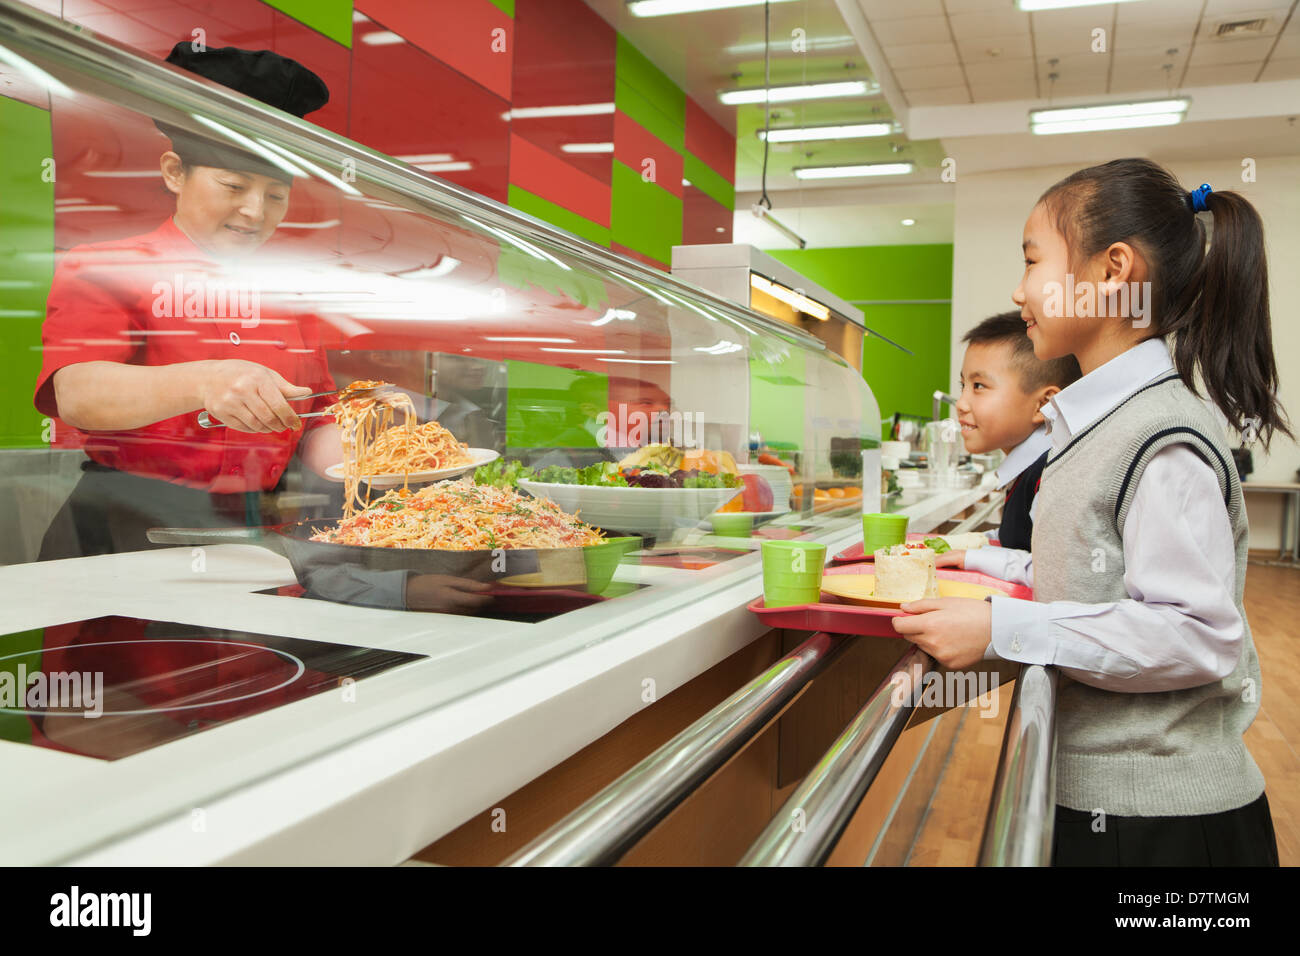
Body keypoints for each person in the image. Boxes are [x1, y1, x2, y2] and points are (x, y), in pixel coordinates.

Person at [893, 158, 1288, 866]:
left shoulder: (1160, 434)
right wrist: (976, 559)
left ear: (1113, 273)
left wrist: (1001, 626)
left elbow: (1195, 634)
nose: (1019, 291)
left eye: (1033, 260)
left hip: (1163, 829)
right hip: (1107, 805)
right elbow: (1089, 571)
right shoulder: (1102, 425)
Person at [35, 42, 342, 559]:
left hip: (256, 523)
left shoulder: (290, 293)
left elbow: (316, 418)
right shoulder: (109, 265)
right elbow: (77, 392)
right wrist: (208, 380)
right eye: (233, 186)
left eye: (275, 195)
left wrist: (380, 457)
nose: (254, 212)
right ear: (176, 172)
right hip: (127, 524)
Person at [945, 311, 1080, 552]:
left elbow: (1048, 569)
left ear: (1043, 405)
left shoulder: (1050, 476)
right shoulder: (1027, 470)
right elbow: (1016, 540)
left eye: (979, 386)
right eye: (962, 385)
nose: (961, 403)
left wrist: (969, 558)